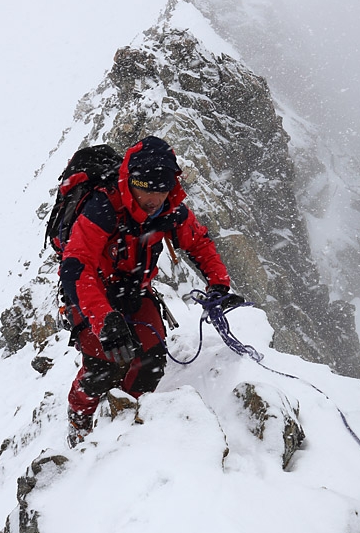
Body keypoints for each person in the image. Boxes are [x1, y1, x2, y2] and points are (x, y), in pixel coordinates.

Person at [59, 135, 242, 447]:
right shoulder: (102, 207)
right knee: (101, 367)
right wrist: (105, 321)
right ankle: (79, 422)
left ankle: (126, 415)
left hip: (134, 289)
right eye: (145, 187)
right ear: (130, 181)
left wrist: (219, 284)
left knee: (151, 358)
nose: (154, 197)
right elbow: (77, 267)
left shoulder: (170, 210)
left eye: (162, 188)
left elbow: (198, 242)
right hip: (92, 292)